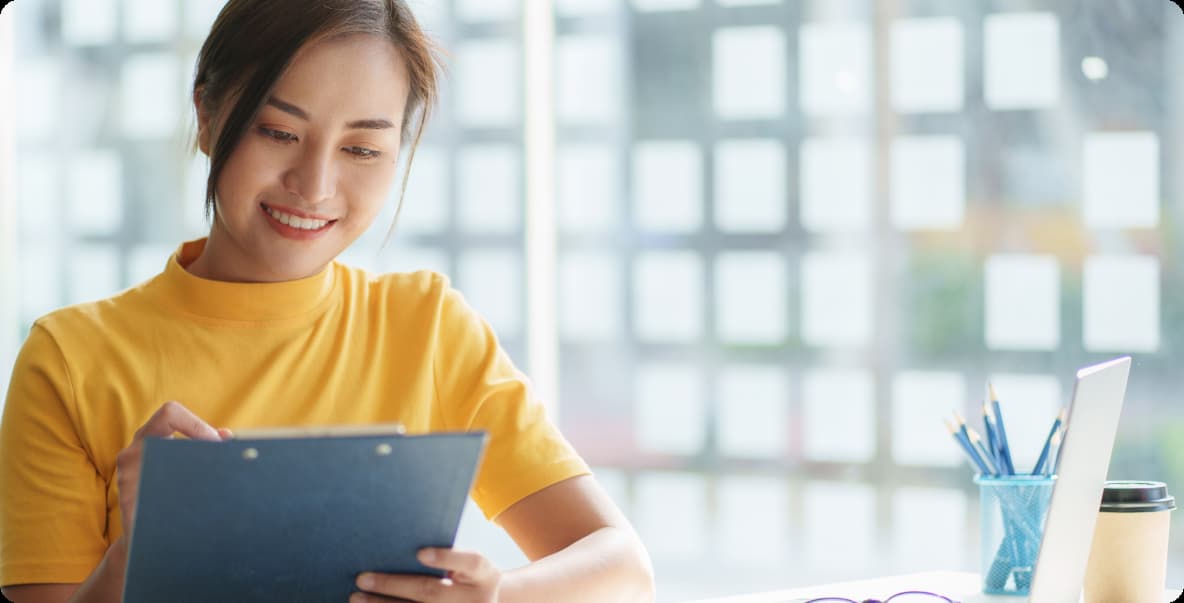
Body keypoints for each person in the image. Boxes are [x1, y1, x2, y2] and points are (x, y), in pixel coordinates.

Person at [0, 1, 655, 601]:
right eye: (278, 131)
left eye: (362, 148)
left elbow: (623, 566)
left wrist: (497, 595)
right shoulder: (69, 359)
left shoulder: (428, 328)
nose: (313, 185)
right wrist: (132, 558)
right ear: (206, 114)